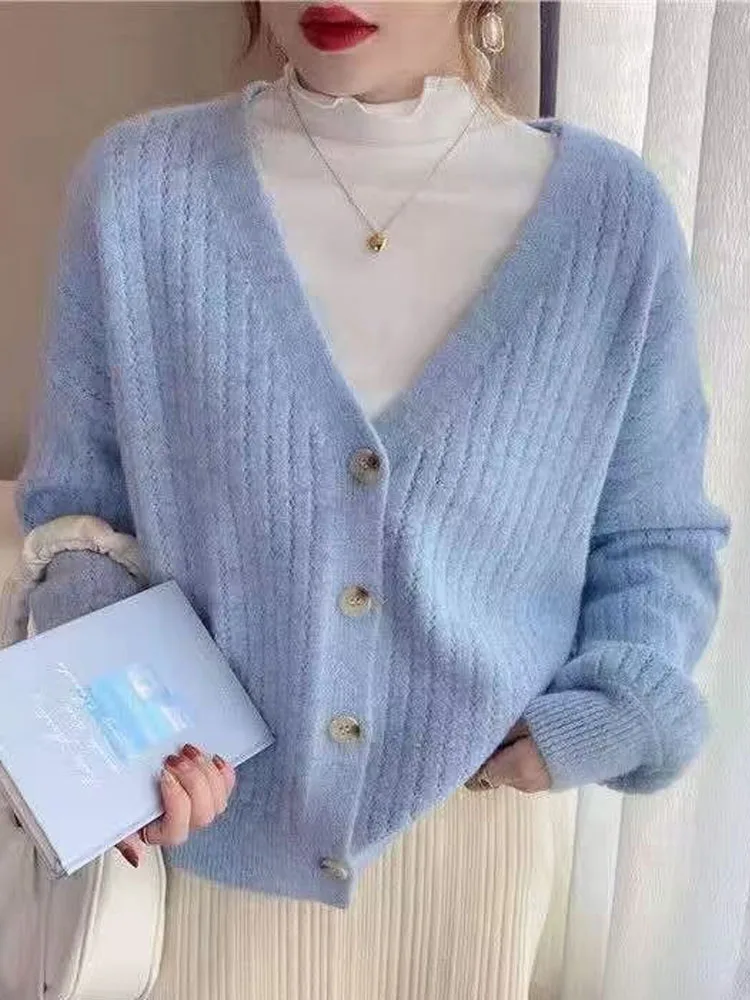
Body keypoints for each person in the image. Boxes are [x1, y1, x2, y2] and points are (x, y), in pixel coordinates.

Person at [18, 1, 729, 997]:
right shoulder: (140, 191)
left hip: (474, 853)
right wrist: (130, 734)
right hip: (210, 850)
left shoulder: (612, 219)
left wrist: (605, 715)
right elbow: (79, 523)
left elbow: (655, 536)